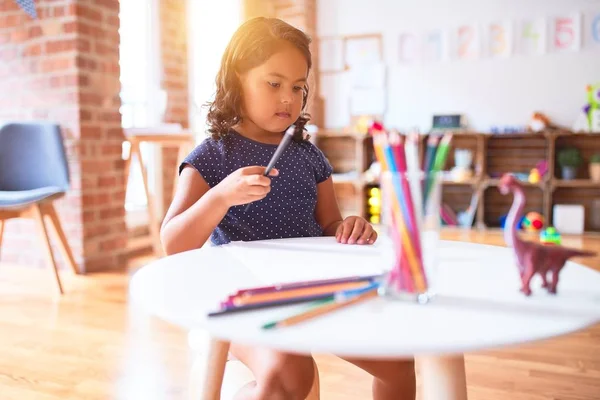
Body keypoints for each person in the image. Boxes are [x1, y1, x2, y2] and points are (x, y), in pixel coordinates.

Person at [160, 17, 416, 400]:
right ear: (236, 80)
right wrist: (220, 197)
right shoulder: (211, 157)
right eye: (273, 83)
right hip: (242, 299)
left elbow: (330, 223)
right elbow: (173, 244)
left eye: (298, 87)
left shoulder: (309, 156)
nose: (287, 98)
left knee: (398, 364)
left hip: (315, 290)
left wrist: (349, 227)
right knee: (289, 372)